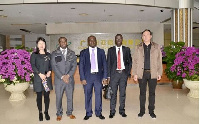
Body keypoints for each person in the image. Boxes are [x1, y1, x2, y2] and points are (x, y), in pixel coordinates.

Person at [132, 29, 163, 119]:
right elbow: (135, 61)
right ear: (142, 37)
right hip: (142, 73)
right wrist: (135, 74)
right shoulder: (138, 47)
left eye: (147, 35)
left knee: (152, 93)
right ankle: (142, 111)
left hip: (153, 73)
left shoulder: (156, 47)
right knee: (142, 93)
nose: (145, 37)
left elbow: (159, 61)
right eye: (144, 35)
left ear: (151, 36)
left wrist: (159, 73)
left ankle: (151, 111)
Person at [79, 35, 107, 120]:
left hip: (98, 77)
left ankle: (98, 112)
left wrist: (105, 77)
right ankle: (88, 113)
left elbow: (105, 65)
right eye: (90, 40)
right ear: (88, 42)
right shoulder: (83, 52)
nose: (92, 42)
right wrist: (82, 78)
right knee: (88, 95)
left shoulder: (101, 51)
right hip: (87, 77)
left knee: (98, 95)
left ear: (96, 41)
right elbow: (81, 66)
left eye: (93, 40)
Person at [51, 37, 77, 121]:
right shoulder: (55, 53)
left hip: (69, 79)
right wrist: (62, 76)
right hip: (59, 80)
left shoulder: (72, 53)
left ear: (67, 42)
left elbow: (74, 65)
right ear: (59, 43)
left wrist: (68, 75)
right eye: (61, 41)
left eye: (64, 41)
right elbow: (54, 66)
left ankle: (69, 112)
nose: (63, 43)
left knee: (70, 97)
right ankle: (59, 113)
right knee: (58, 97)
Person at [107, 34, 132, 118]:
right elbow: (108, 63)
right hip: (114, 75)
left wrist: (128, 72)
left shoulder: (126, 49)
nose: (118, 40)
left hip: (123, 75)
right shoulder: (110, 50)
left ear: (122, 40)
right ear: (115, 40)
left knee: (122, 94)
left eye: (120, 38)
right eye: (117, 38)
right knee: (113, 94)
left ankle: (122, 110)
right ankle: (112, 111)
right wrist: (109, 76)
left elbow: (129, 62)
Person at [30, 37, 53, 121]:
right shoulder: (34, 55)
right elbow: (33, 65)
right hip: (38, 78)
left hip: (46, 79)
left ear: (45, 44)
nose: (41, 45)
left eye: (43, 43)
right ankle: (40, 112)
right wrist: (40, 74)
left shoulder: (48, 55)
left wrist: (50, 71)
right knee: (39, 96)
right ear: (37, 45)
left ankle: (46, 112)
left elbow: (51, 66)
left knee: (47, 96)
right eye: (39, 43)